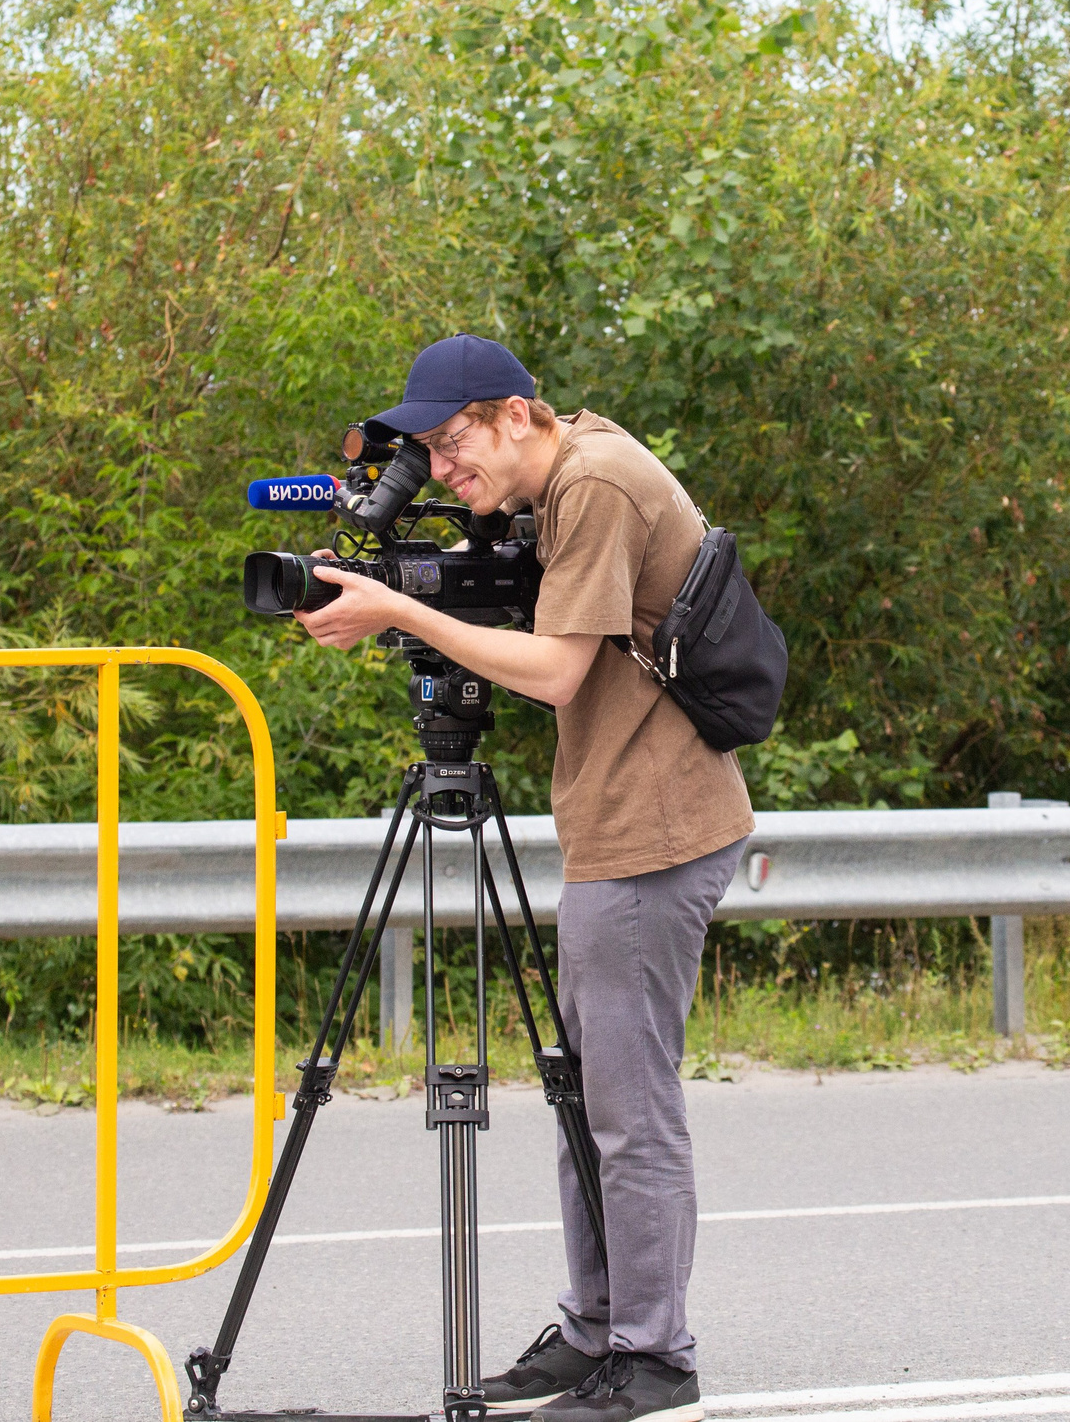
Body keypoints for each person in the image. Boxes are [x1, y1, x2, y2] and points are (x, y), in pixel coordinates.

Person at [294, 333, 750, 1422]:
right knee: (585, 1095)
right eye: (431, 456)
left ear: (514, 414)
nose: (447, 472)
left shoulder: (590, 481)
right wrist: (418, 577)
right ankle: (598, 1330)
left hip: (655, 829)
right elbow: (516, 610)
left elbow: (553, 671)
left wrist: (397, 609)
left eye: (453, 445)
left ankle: (651, 1356)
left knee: (625, 1110)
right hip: (621, 822)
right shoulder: (566, 474)